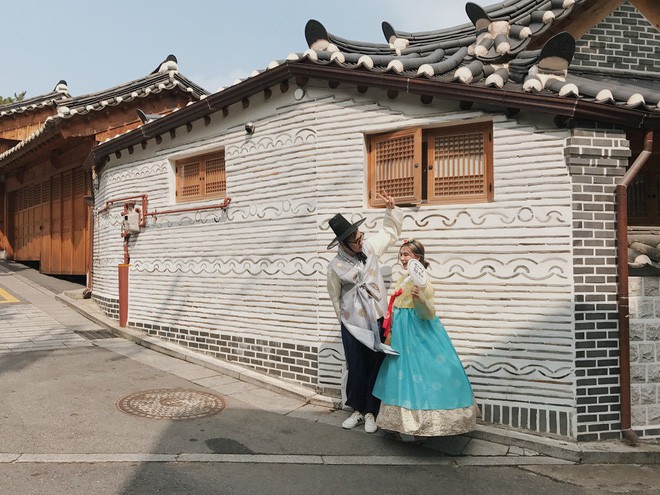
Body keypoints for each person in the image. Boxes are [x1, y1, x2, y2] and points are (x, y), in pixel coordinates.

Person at [373, 239, 477, 438]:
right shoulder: (403, 278)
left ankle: (422, 424)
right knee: (403, 373)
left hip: (416, 333)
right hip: (402, 333)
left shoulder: (423, 281)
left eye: (406, 255)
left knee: (421, 371)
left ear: (417, 257)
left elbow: (428, 312)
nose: (402, 258)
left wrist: (419, 299)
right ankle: (403, 423)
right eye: (401, 254)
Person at [326, 191, 402, 433]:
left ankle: (372, 411)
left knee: (376, 363)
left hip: (376, 317)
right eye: (356, 241)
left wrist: (391, 210)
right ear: (343, 244)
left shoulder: (369, 248)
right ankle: (357, 410)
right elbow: (335, 297)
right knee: (356, 364)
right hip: (353, 324)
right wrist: (345, 322)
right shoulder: (335, 266)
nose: (361, 242)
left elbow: (389, 234)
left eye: (360, 237)